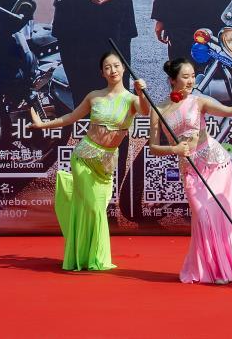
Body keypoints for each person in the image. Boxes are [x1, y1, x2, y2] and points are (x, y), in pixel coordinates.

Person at [148, 58, 232, 284]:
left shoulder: (198, 101)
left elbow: (228, 111)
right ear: (172, 80)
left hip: (214, 162)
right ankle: (207, 269)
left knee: (217, 214)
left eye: (193, 76)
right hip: (190, 169)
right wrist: (174, 149)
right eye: (185, 77)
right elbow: (154, 147)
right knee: (202, 216)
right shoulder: (159, 110)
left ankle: (221, 270)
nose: (190, 81)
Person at [29, 52, 149, 271]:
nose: (112, 70)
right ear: (102, 73)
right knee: (93, 208)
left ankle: (85, 256)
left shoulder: (131, 100)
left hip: (106, 163)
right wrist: (43, 125)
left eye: (116, 66)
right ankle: (95, 257)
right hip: (84, 157)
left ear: (123, 68)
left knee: (97, 207)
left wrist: (141, 93)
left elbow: (145, 110)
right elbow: (71, 117)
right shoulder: (95, 96)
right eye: (107, 67)